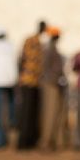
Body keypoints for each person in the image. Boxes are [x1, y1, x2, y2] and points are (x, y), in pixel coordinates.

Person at [17, 21, 46, 149]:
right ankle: (23, 142)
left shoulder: (40, 43)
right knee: (26, 112)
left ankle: (30, 141)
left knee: (32, 113)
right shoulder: (30, 41)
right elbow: (22, 59)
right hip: (28, 81)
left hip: (36, 82)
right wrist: (21, 76)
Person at [39, 26, 68, 151]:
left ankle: (55, 141)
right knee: (50, 114)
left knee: (56, 113)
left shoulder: (53, 49)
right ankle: (46, 142)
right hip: (50, 85)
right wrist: (55, 79)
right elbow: (46, 68)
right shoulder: (49, 49)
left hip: (56, 84)